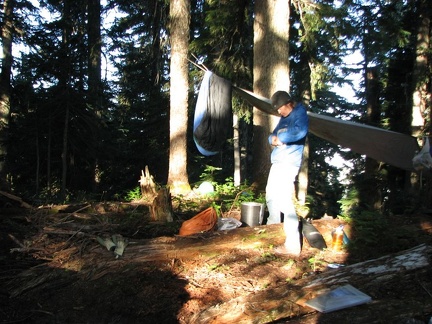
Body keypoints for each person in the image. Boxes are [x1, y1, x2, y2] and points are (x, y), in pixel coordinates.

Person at [266, 90, 309, 256]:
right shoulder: (284, 118)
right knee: (271, 196)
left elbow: (299, 132)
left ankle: (292, 246)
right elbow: (272, 135)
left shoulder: (300, 113)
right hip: (277, 162)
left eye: (279, 108)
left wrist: (281, 138)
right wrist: (275, 139)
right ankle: (271, 233)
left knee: (284, 200)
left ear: (287, 104)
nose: (278, 112)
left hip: (288, 163)